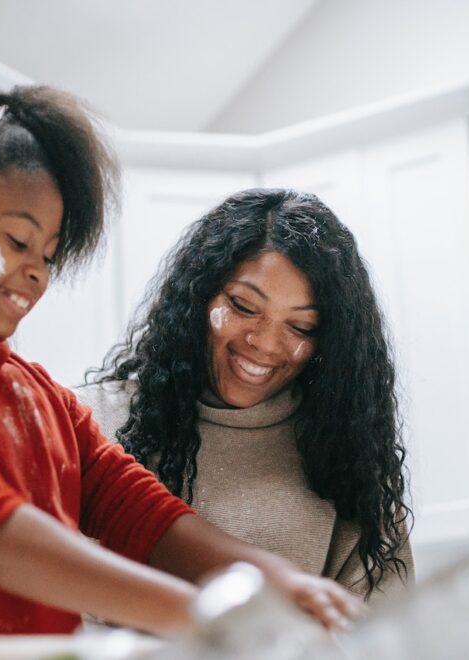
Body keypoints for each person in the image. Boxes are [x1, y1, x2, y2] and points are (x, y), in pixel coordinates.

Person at [0, 88, 360, 660]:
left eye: (49, 254)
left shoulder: (41, 395)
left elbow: (147, 519)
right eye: (16, 241)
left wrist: (275, 580)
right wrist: (200, 618)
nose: (36, 272)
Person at [81, 188, 414, 601]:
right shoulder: (87, 424)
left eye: (301, 327)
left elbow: (379, 637)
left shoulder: (349, 463)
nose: (265, 343)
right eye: (243, 305)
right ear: (200, 294)